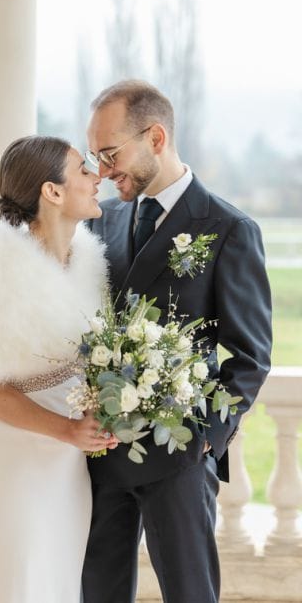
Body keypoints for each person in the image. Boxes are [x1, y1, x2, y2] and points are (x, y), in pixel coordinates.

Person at [81, 80, 272, 603]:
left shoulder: (229, 228)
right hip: (104, 452)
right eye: (95, 157)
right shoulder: (105, 221)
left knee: (190, 593)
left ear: (156, 137)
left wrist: (206, 441)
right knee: (97, 591)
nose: (102, 171)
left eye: (110, 153)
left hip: (179, 457)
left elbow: (251, 357)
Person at [0, 135, 113, 602]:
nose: (97, 178)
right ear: (52, 191)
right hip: (13, 467)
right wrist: (67, 430)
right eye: (84, 170)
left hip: (67, 472)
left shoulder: (88, 260)